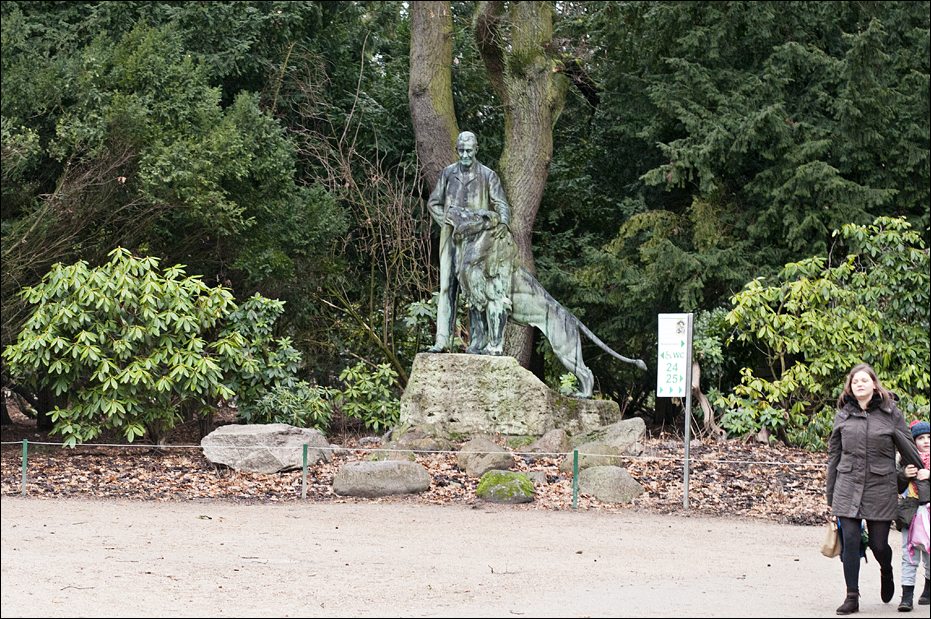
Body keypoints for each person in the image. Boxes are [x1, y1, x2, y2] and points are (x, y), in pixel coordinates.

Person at [826, 363, 923, 615]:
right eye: (855, 381)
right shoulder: (843, 414)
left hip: (880, 486)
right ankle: (852, 596)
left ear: (874, 384)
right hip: (847, 486)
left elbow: (908, 448)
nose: (859, 384)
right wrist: (831, 495)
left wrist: (921, 472)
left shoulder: (891, 413)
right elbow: (834, 456)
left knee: (880, 545)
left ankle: (886, 570)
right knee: (850, 540)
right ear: (850, 387)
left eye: (864, 380)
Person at [425, 131, 510, 354]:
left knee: (476, 292)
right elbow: (433, 202)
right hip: (450, 240)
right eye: (461, 150)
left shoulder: (487, 175)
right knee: (447, 288)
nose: (464, 155)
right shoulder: (447, 174)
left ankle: (477, 342)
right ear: (456, 150)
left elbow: (501, 204)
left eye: (469, 151)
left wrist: (503, 224)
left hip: (476, 242)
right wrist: (447, 221)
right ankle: (442, 341)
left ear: (476, 150)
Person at [896, 419, 930, 611]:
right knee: (909, 553)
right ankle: (906, 595)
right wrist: (904, 475)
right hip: (911, 513)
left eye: (929, 437)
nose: (926, 441)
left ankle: (928, 588)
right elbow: (896, 486)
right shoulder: (905, 460)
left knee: (929, 555)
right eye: (921, 438)